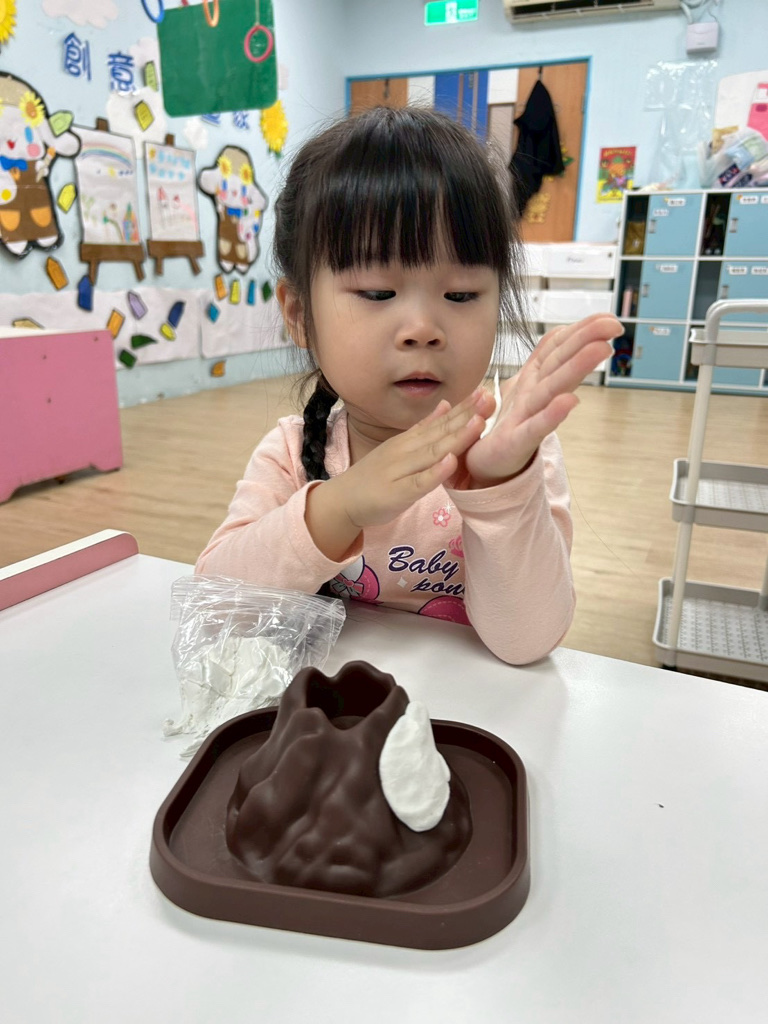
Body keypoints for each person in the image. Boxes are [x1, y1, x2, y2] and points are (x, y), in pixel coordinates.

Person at [196, 106, 620, 665]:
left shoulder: (515, 457)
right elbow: (216, 607)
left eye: (461, 294)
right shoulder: (293, 455)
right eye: (378, 293)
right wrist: (339, 507)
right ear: (299, 314)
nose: (423, 329)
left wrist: (499, 489)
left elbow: (527, 643)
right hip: (334, 708)